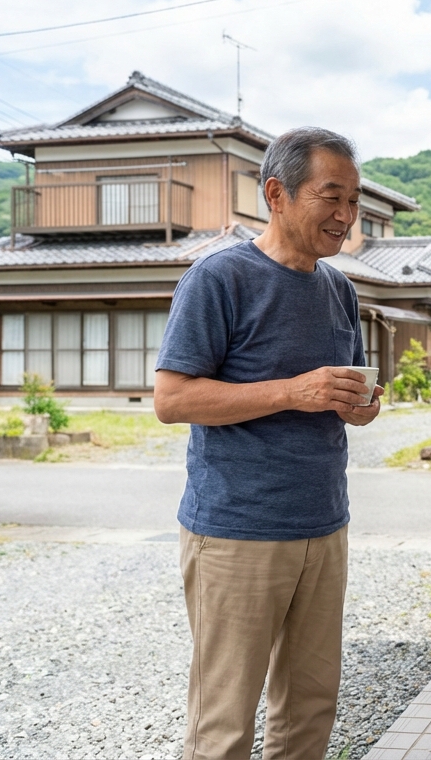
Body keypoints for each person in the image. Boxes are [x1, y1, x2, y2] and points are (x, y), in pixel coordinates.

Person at [153, 127, 384, 760]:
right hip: (235, 531)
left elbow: (334, 395)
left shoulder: (339, 287)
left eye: (354, 201)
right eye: (330, 196)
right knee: (224, 722)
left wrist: (357, 406)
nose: (345, 215)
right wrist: (292, 392)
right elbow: (172, 400)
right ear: (276, 194)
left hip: (322, 524)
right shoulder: (218, 278)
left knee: (310, 708)